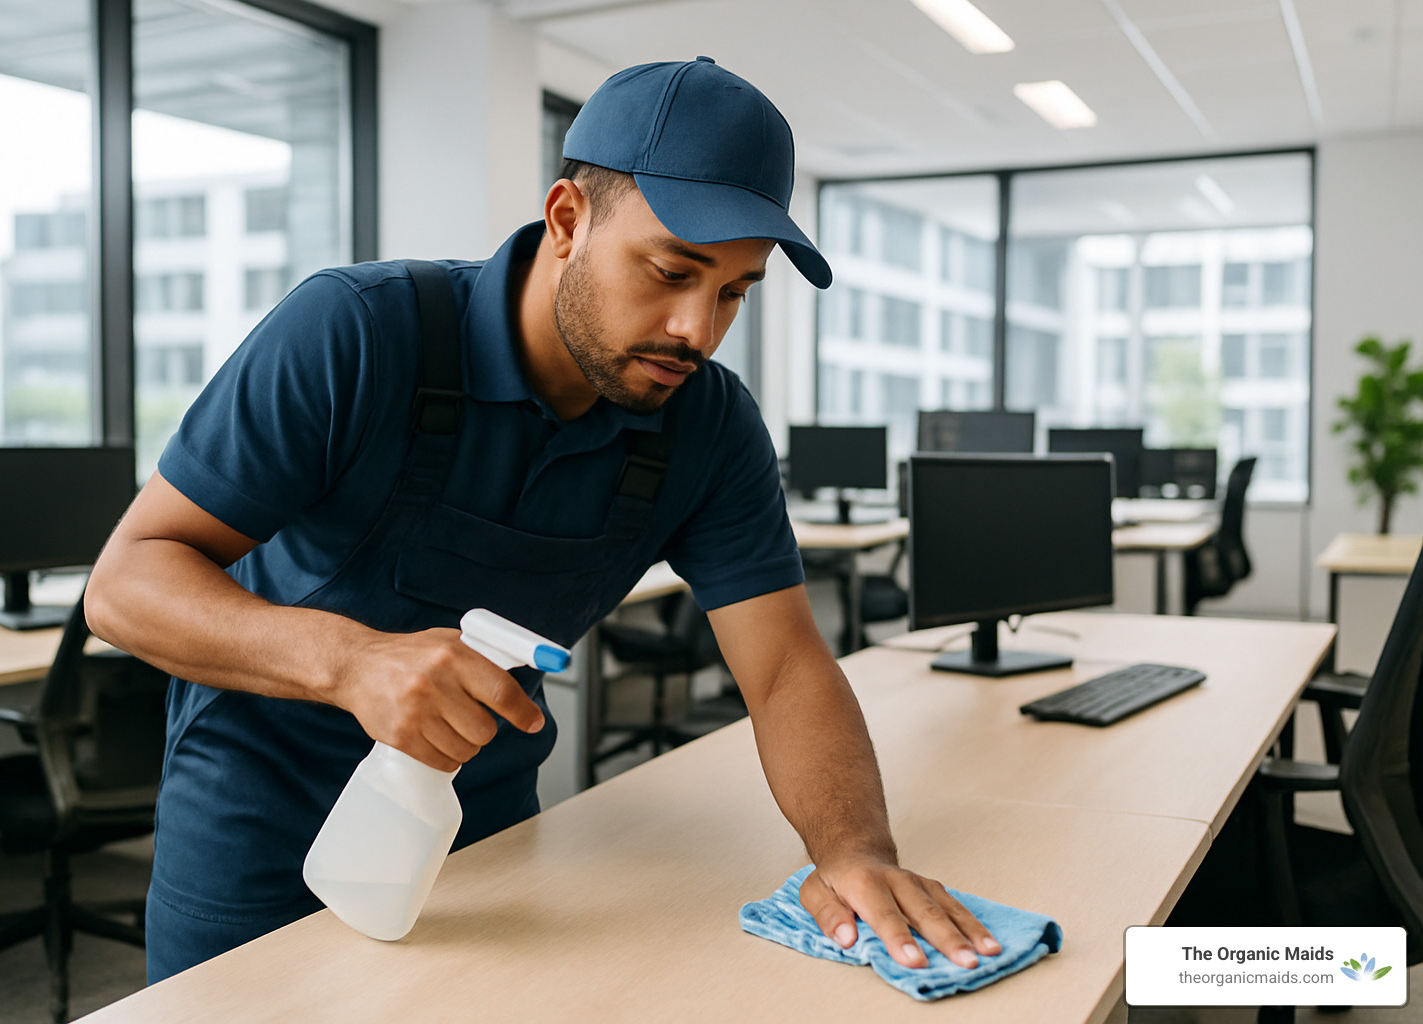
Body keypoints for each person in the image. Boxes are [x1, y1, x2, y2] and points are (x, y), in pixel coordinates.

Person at [86, 55, 1001, 984]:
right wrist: (351, 661)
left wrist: (853, 851)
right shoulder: (354, 332)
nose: (699, 329)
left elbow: (784, 668)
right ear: (568, 220)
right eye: (671, 270)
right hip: (259, 832)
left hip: (485, 839)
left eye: (733, 291)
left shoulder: (708, 424)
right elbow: (125, 585)